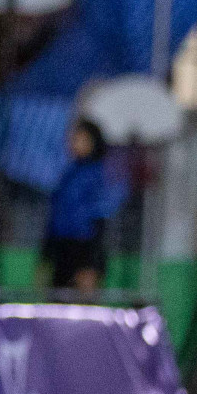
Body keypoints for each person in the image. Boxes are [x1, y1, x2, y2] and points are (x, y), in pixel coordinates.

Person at [41, 119, 124, 294]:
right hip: (62, 247)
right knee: (57, 304)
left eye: (80, 139)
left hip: (86, 246)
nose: (74, 144)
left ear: (93, 141)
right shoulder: (68, 173)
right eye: (73, 139)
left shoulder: (101, 173)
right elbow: (57, 213)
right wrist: (48, 250)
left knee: (85, 306)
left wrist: (91, 260)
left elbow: (103, 213)